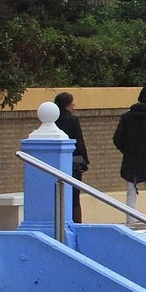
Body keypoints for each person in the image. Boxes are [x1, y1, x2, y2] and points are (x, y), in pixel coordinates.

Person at [112, 86, 146, 220]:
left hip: (130, 160)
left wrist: (126, 150)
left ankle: (130, 223)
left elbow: (117, 138)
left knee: (131, 193)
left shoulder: (127, 117)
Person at [53, 92, 88, 223]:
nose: (74, 105)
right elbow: (79, 142)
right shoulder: (73, 120)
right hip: (73, 162)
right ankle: (76, 223)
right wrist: (84, 161)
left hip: (54, 163)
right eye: (72, 102)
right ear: (68, 105)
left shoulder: (53, 120)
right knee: (74, 197)